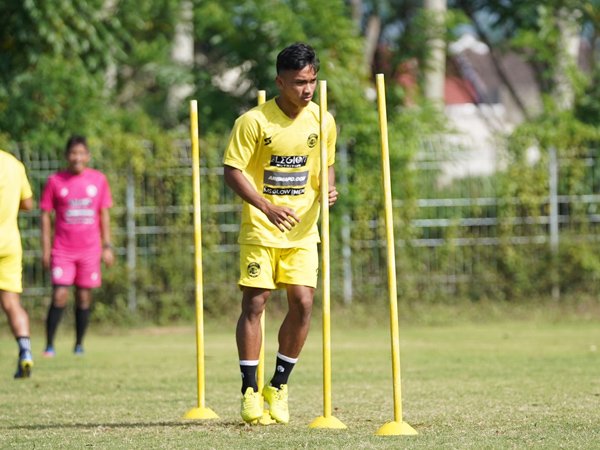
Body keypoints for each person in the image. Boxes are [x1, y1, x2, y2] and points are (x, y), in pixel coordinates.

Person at [223, 43, 338, 424]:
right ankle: (250, 390)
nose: (307, 90)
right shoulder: (254, 122)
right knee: (256, 304)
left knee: (304, 303)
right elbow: (232, 171)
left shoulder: (323, 121)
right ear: (280, 81)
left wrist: (329, 187)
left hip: (303, 231)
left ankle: (279, 385)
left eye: (312, 81)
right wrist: (266, 206)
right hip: (261, 228)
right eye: (299, 83)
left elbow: (326, 163)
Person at [40, 135, 114, 357]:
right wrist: (46, 250)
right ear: (67, 156)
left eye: (81, 153)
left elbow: (104, 215)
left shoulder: (98, 180)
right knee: (60, 295)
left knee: (83, 297)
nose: (77, 157)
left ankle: (79, 344)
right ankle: (49, 345)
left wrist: (107, 246)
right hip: (62, 249)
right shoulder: (55, 181)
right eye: (73, 153)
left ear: (88, 156)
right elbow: (45, 216)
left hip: (90, 249)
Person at [0, 149, 35, 379]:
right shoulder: (14, 164)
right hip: (9, 243)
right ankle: (25, 352)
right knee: (12, 302)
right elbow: (28, 204)